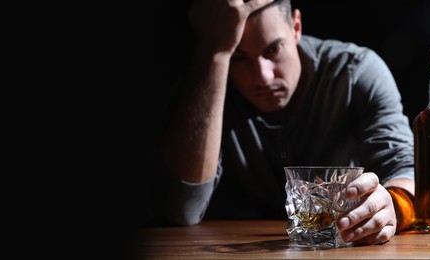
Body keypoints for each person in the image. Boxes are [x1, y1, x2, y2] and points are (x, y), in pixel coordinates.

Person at [156, 0, 416, 246]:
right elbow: (183, 209)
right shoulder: (201, 83)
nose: (263, 77)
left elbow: (407, 173)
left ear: (296, 27)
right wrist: (214, 53)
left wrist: (394, 204)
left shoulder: (356, 71)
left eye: (273, 49)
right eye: (238, 57)